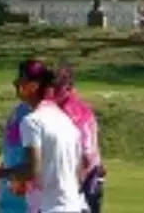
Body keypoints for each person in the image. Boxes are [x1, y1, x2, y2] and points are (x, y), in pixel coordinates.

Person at [0, 60, 83, 213]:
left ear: (33, 86)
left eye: (20, 81)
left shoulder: (32, 121)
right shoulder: (65, 120)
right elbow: (77, 170)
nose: (15, 83)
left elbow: (32, 169)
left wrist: (0, 173)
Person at [54, 66, 104, 213]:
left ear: (67, 87)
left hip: (82, 182)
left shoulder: (75, 111)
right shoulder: (62, 109)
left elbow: (87, 153)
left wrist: (73, 182)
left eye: (56, 88)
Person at [0, 72, 32, 213]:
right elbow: (10, 147)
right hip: (8, 194)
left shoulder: (38, 115)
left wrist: (21, 181)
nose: (18, 88)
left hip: (26, 197)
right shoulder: (18, 111)